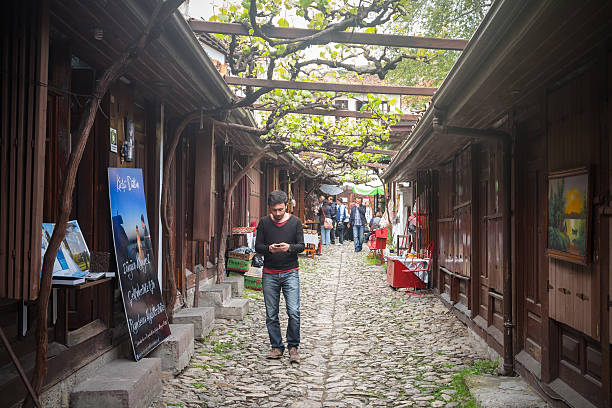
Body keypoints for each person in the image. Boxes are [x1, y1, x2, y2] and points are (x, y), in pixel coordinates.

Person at [255, 190, 305, 363]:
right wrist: (269, 248)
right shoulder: (263, 223)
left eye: (281, 210)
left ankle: (293, 347)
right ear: (270, 208)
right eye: (274, 210)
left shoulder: (295, 222)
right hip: (269, 273)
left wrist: (288, 247)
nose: (277, 213)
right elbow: (258, 247)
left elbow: (301, 246)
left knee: (294, 311)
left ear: (286, 206)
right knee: (271, 314)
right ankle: (276, 347)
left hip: (290, 272)